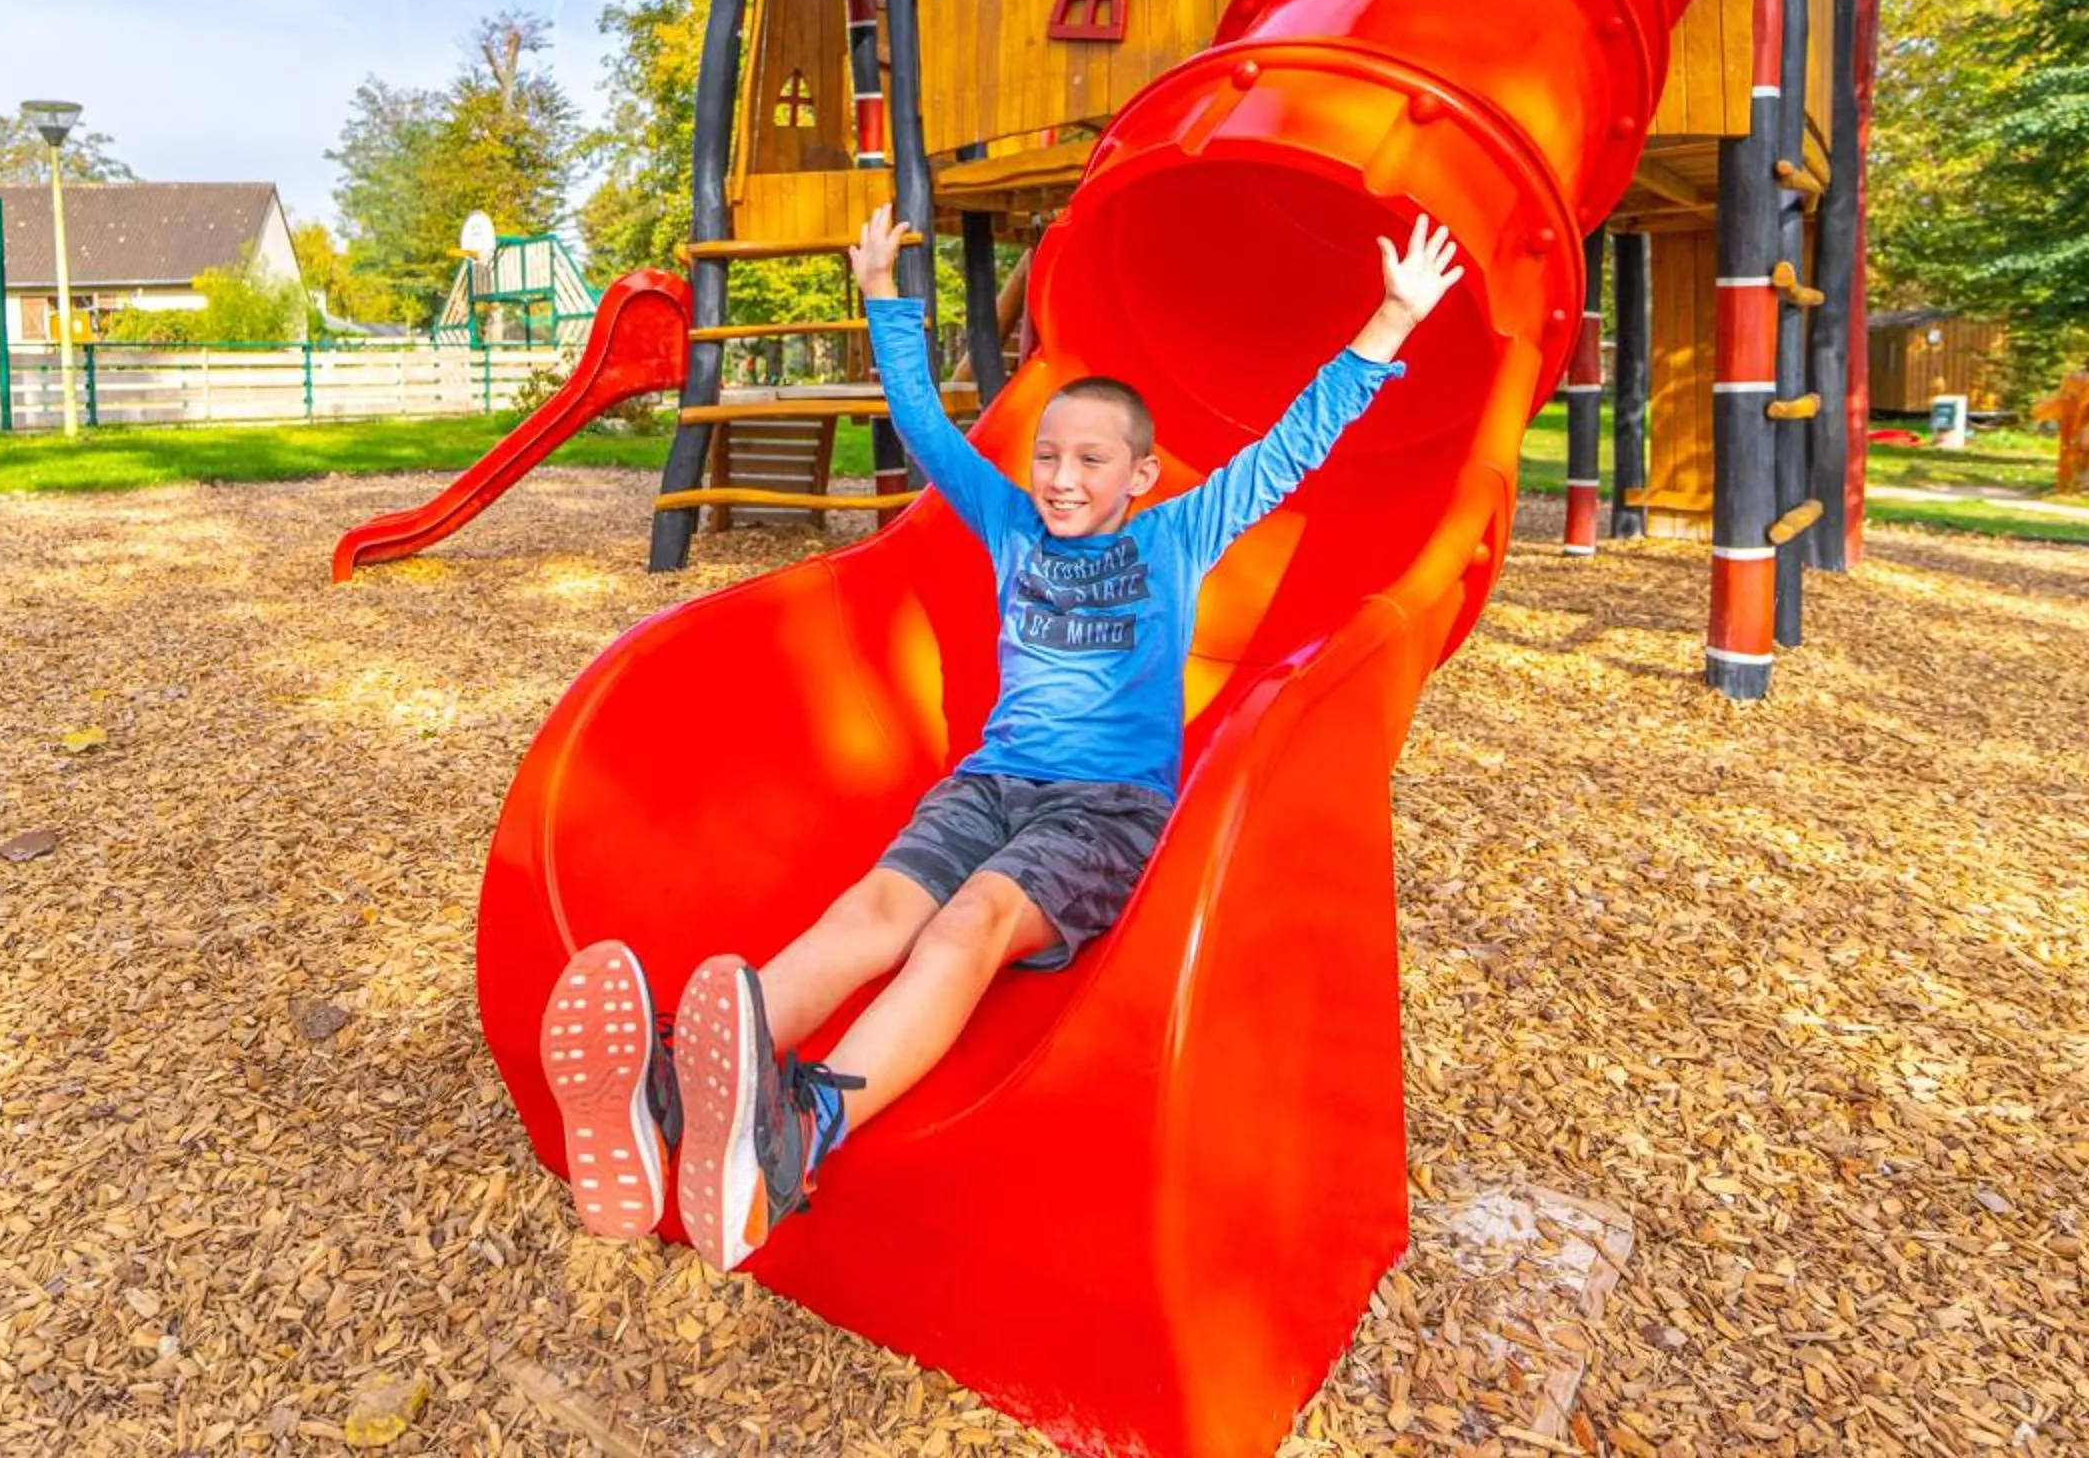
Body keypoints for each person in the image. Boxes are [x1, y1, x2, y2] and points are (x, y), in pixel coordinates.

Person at [542, 202, 1464, 1269]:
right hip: (989, 783)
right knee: (873, 908)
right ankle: (664, 1096)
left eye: (1091, 459)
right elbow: (930, 430)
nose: (1064, 477)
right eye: (1049, 456)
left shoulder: (1180, 533)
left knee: (966, 922)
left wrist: (1391, 319)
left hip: (1105, 812)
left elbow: (1292, 445)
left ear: (1142, 474)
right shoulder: (1012, 523)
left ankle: (797, 1128)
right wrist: (886, 296)